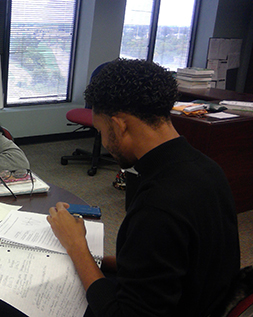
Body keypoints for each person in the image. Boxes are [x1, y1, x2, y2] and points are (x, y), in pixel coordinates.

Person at [47, 58, 240, 316]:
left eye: (101, 130)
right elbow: (166, 265)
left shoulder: (158, 207)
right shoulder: (207, 169)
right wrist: (97, 259)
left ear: (119, 125)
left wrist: (76, 247)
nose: (103, 142)